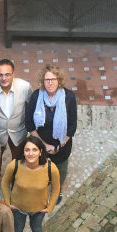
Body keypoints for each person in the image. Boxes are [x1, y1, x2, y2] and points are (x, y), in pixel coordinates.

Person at [0, 135, 60, 232]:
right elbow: (4, 183)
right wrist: (7, 202)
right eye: (27, 150)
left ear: (40, 151)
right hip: (18, 208)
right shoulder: (14, 165)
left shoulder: (50, 168)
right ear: (23, 152)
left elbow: (56, 188)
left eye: (34, 150)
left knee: (37, 230)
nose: (30, 153)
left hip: (39, 209)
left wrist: (50, 206)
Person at [25, 64, 77, 202]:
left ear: (59, 80)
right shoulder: (36, 96)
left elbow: (72, 125)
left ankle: (57, 189)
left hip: (62, 145)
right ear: (42, 81)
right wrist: (44, 145)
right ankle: (41, 187)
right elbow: (29, 123)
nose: (50, 83)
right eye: (47, 79)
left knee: (60, 171)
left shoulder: (69, 97)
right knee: (40, 168)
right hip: (40, 144)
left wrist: (59, 145)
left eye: (53, 79)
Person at [0, 59, 32, 164]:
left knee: (18, 163)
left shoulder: (25, 87)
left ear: (13, 74)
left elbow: (30, 107)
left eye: (7, 74)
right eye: (0, 75)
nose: (4, 78)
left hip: (19, 132)